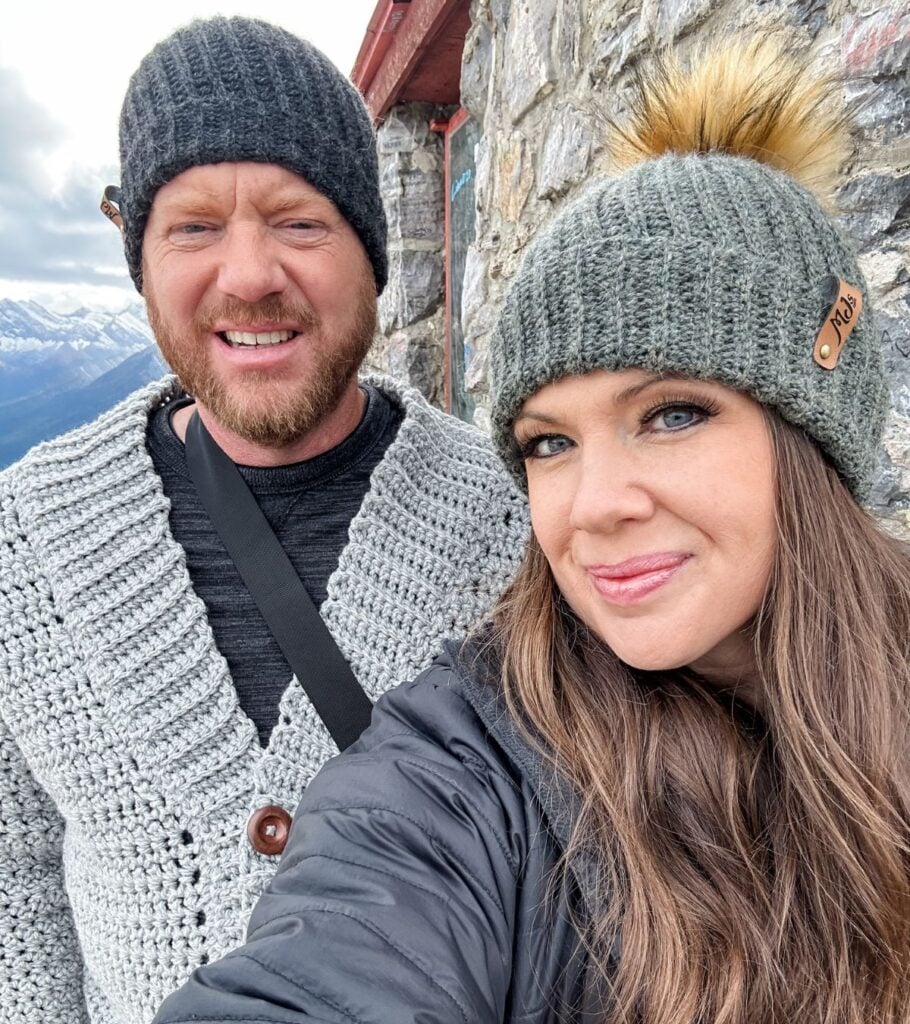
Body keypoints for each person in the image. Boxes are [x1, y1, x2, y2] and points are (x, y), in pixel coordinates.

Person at [153, 36, 910, 1024]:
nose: (593, 503)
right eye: (548, 444)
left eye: (671, 413)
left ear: (815, 428)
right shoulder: (470, 764)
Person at [0, 16, 528, 1024]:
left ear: (369, 254)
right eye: (193, 226)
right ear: (140, 258)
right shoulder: (22, 542)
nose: (248, 274)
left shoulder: (515, 526)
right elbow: (13, 878)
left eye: (296, 220)